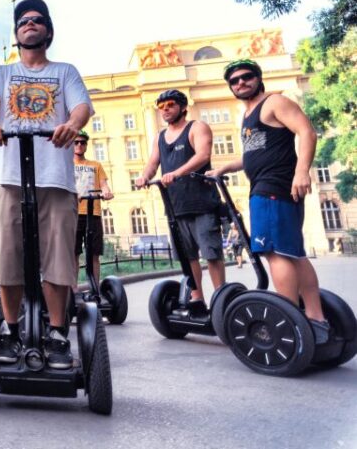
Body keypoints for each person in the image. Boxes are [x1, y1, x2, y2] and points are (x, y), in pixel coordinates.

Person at [0, 0, 92, 369]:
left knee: (59, 258)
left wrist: (73, 124)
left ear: (48, 31)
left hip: (55, 180)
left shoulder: (65, 72)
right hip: (9, 176)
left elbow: (82, 107)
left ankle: (58, 333)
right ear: (16, 34)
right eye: (23, 21)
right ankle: (11, 331)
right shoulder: (1, 72)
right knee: (8, 258)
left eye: (37, 20)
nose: (29, 24)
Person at [207, 59, 329, 342]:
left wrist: (302, 171)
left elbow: (307, 131)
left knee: (276, 252)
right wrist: (225, 168)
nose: (241, 83)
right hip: (270, 188)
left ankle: (288, 321)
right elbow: (253, 153)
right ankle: (315, 317)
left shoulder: (274, 102)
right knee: (293, 253)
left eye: (246, 77)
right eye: (234, 81)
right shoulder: (249, 114)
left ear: (258, 78)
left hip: (272, 187)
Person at [135, 89, 226, 318]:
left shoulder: (197, 127)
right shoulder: (159, 137)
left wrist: (176, 173)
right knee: (188, 256)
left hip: (202, 201)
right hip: (176, 205)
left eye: (170, 105)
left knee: (211, 253)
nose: (165, 110)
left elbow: (203, 155)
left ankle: (221, 299)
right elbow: (152, 163)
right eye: (162, 107)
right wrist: (144, 176)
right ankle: (197, 299)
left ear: (183, 107)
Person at [72, 130, 114, 289]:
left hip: (93, 214)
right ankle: (73, 289)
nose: (79, 145)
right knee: (73, 253)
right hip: (74, 213)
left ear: (86, 146)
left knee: (94, 253)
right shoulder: (67, 164)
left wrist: (106, 191)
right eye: (76, 142)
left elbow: (103, 183)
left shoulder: (96, 165)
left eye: (82, 142)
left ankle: (95, 288)